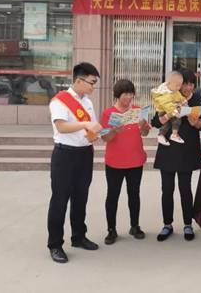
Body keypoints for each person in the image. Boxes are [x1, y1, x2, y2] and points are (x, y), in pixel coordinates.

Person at [46, 62, 102, 264]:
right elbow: (61, 127)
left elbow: (90, 129)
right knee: (60, 200)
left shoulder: (87, 102)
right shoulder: (60, 101)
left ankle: (78, 236)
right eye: (91, 82)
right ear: (79, 80)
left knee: (81, 197)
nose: (93, 87)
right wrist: (85, 123)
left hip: (84, 154)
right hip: (65, 155)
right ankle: (55, 244)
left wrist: (96, 133)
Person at [152, 68, 201, 242]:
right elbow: (156, 122)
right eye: (185, 84)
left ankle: (187, 224)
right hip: (168, 148)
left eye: (192, 84)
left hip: (187, 149)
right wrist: (168, 114)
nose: (189, 87)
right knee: (167, 189)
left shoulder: (198, 100)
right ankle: (167, 224)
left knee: (185, 189)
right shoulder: (168, 95)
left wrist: (195, 121)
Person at [100, 79, 150, 245]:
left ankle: (135, 226)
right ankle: (111, 229)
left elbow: (144, 134)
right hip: (115, 162)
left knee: (134, 194)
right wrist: (114, 131)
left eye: (130, 94)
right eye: (125, 94)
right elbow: (105, 138)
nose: (128, 97)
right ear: (117, 95)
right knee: (113, 195)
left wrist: (143, 127)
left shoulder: (137, 111)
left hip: (135, 160)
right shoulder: (109, 113)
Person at [151, 71, 188, 145]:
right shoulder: (164, 93)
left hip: (170, 109)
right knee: (174, 121)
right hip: (163, 111)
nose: (178, 88)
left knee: (170, 123)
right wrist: (175, 112)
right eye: (177, 86)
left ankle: (166, 135)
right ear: (168, 83)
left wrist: (184, 101)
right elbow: (167, 105)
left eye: (180, 86)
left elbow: (179, 97)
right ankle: (170, 135)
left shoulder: (174, 90)